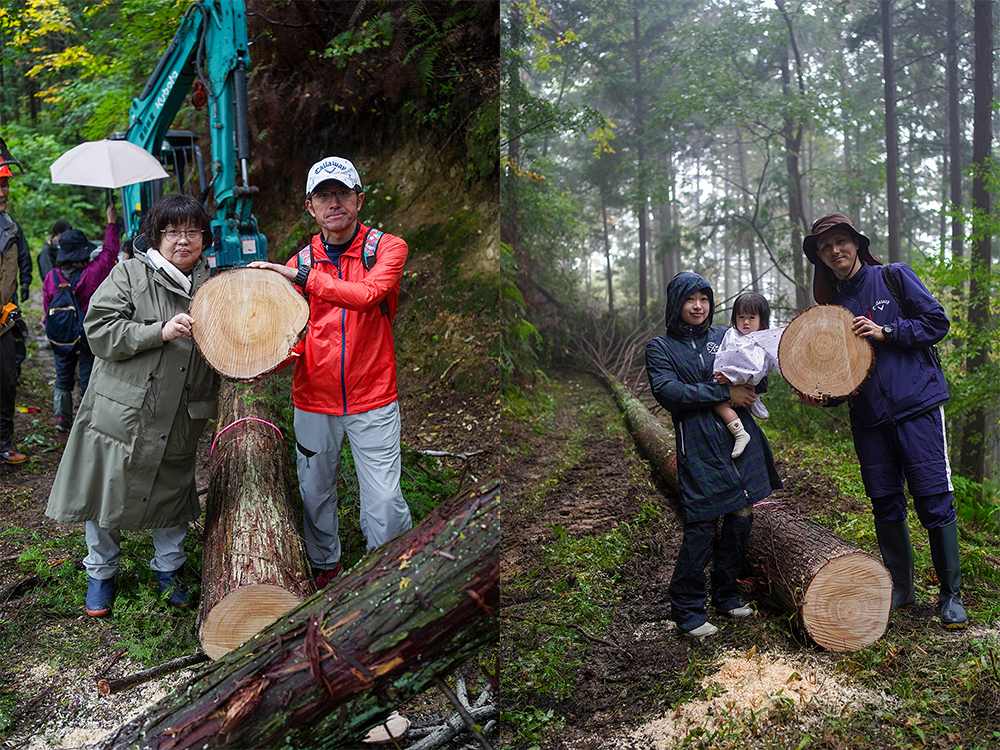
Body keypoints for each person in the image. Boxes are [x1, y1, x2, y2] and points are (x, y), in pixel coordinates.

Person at [45, 194, 220, 617]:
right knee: (106, 490)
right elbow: (99, 331)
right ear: (156, 237)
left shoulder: (213, 286)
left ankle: (169, 572)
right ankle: (101, 574)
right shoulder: (129, 274)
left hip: (181, 412)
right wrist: (157, 331)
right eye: (172, 231)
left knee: (172, 494)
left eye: (192, 231)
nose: (183, 240)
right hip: (122, 411)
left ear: (203, 238)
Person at [248, 156, 412, 587]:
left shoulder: (387, 248)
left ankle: (389, 577)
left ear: (359, 200)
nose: (333, 202)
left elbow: (366, 294)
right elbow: (294, 337)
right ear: (310, 207)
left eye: (342, 193)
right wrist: (258, 363)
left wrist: (302, 277)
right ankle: (325, 568)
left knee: (384, 498)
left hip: (373, 397)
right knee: (315, 494)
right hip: (314, 400)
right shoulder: (301, 260)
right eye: (324, 195)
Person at [800, 212, 965, 630]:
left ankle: (950, 596)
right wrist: (823, 397)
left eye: (842, 241)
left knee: (933, 497)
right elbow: (842, 375)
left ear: (856, 243)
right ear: (820, 256)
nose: (836, 250)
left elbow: (936, 322)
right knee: (885, 500)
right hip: (870, 419)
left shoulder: (892, 277)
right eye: (826, 247)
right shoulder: (831, 310)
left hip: (918, 407)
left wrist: (886, 331)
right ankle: (902, 588)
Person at [645, 272, 783, 638]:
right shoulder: (660, 348)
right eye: (690, 300)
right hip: (699, 443)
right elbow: (670, 392)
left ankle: (726, 593)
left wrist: (755, 369)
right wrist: (723, 395)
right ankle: (687, 609)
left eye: (704, 299)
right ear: (677, 304)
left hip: (739, 437)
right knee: (702, 525)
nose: (698, 306)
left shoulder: (724, 336)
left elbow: (759, 376)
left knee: (741, 516)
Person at [42, 207, 119, 431]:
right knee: (88, 377)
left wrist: (52, 331)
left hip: (61, 337)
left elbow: (47, 308)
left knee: (62, 377)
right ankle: (84, 421)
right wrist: (111, 222)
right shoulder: (91, 274)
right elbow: (109, 252)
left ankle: (62, 418)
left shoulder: (51, 277)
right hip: (86, 337)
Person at [711, 292, 784, 458]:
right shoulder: (731, 334)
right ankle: (740, 432)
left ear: (762, 319)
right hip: (727, 384)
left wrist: (733, 378)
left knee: (721, 404)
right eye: (741, 316)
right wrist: (727, 377)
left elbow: (757, 367)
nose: (745, 322)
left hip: (746, 383)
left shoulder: (761, 340)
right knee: (719, 403)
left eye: (751, 317)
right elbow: (725, 355)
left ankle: (740, 433)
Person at [0, 162, 28, 464]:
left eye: (5, 184)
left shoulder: (9, 226)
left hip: (4, 324)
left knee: (7, 382)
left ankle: (4, 444)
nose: (2, 192)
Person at [38, 219, 71, 284]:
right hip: (55, 286)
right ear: (58, 232)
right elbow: (47, 273)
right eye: (66, 233)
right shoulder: (47, 249)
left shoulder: (66, 245)